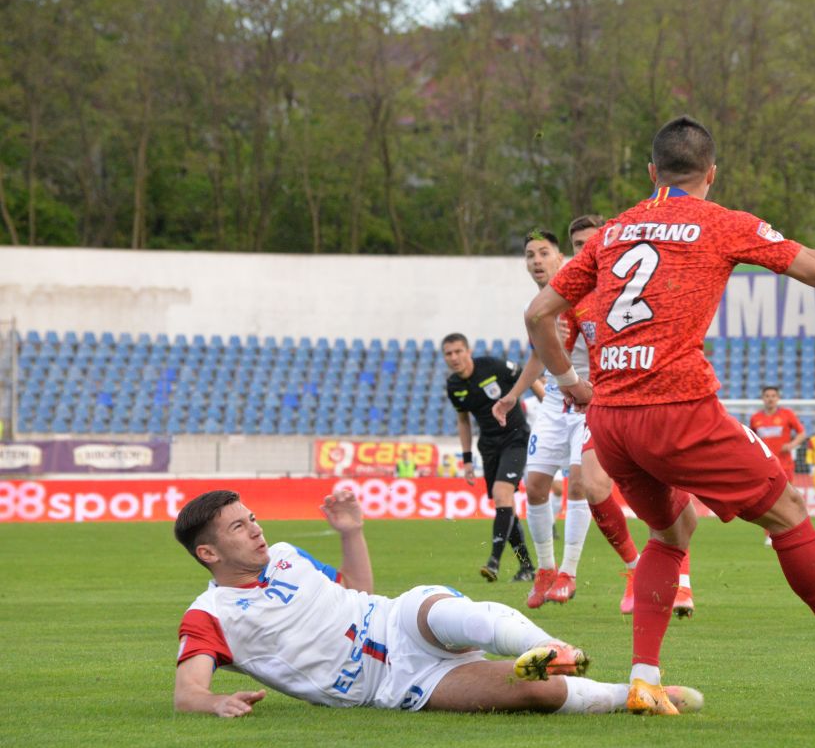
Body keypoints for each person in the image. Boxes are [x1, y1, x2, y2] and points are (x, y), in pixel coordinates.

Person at [525, 116, 815, 714]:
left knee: (671, 532)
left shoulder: (612, 233)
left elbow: (537, 315)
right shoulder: (722, 223)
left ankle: (644, 678)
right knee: (787, 512)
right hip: (677, 408)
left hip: (611, 420)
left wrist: (571, 382)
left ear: (651, 173)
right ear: (711, 173)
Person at [172, 488, 703, 717]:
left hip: (393, 619)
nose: (258, 531)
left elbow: (356, 588)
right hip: (391, 685)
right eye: (240, 527)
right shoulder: (210, 616)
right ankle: (635, 694)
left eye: (253, 518)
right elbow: (187, 692)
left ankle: (549, 645)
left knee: (457, 615)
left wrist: (351, 532)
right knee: (532, 696)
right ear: (208, 551)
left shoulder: (287, 554)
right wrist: (216, 702)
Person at [559, 214, 696, 617]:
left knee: (665, 482)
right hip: (606, 402)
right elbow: (564, 350)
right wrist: (571, 384)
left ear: (609, 243)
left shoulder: (647, 282)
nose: (585, 251)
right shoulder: (573, 300)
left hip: (655, 397)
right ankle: (637, 570)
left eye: (591, 242)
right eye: (577, 245)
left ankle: (683, 584)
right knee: (591, 483)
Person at [490, 230, 595, 608]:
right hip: (553, 403)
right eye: (530, 254)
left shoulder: (586, 295)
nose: (536, 260)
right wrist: (513, 395)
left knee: (579, 484)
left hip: (587, 400)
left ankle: (569, 571)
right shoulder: (536, 306)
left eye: (544, 252)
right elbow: (539, 356)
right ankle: (545, 571)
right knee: (534, 488)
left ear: (560, 257)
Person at [442, 333, 535, 582]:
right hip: (489, 445)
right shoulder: (454, 386)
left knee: (502, 494)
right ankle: (527, 568)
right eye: (449, 354)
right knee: (505, 506)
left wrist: (548, 408)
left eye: (458, 351)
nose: (454, 358)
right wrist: (467, 460)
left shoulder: (492, 366)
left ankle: (493, 561)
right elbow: (463, 421)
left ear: (468, 351)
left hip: (516, 437)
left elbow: (529, 375)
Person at [750, 386, 806, 545]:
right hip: (764, 465)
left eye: (773, 395)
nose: (770, 398)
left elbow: (802, 433)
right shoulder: (756, 418)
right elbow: (751, 439)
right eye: (767, 395)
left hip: (785, 464)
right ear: (763, 398)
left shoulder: (787, 415)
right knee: (765, 500)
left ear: (778, 398)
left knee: (786, 499)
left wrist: (792, 444)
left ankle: (790, 530)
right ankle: (769, 534)